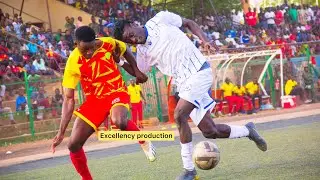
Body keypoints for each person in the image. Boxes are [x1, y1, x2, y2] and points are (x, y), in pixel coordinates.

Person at [113, 11, 267, 180]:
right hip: (184, 85)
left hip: (199, 72)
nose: (133, 40)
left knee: (179, 115)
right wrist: (120, 61)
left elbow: (188, 23)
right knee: (210, 131)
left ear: (133, 24)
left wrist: (205, 40)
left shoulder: (160, 19)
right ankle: (248, 130)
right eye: (128, 41)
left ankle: (189, 171)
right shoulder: (142, 53)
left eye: (131, 35)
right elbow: (141, 76)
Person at [51, 26, 156, 180]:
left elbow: (125, 49)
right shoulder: (73, 62)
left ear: (96, 42)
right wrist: (61, 132)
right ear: (76, 44)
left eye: (91, 48)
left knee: (118, 121)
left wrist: (136, 70)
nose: (89, 52)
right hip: (94, 101)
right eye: (84, 49)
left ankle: (143, 140)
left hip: (116, 91)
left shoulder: (108, 43)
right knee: (73, 145)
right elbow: (68, 99)